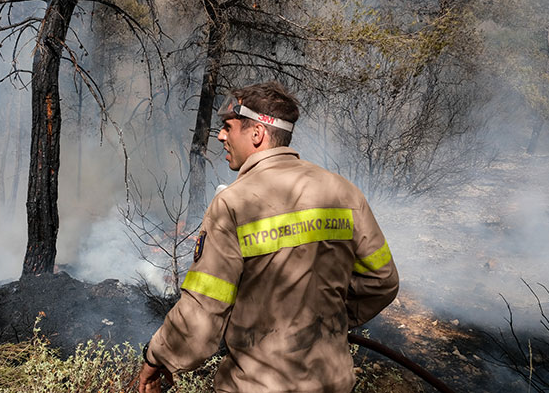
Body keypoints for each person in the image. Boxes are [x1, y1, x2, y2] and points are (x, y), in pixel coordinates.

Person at [139, 82, 399, 393]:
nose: (221, 136)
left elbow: (203, 314)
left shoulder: (233, 204)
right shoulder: (343, 191)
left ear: (257, 134)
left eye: (227, 127)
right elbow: (382, 279)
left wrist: (156, 357)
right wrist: (326, 322)